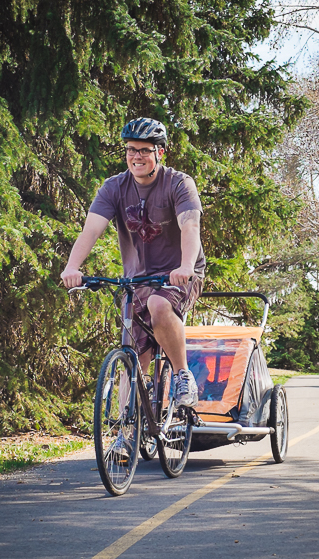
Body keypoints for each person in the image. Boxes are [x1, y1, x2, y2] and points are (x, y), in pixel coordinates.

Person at [61, 117, 203, 407]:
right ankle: (127, 432)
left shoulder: (179, 183)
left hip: (179, 274)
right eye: (130, 149)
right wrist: (72, 267)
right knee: (132, 352)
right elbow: (91, 230)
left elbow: (190, 226)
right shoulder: (114, 187)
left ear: (160, 153)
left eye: (144, 150)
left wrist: (187, 266)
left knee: (158, 305)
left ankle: (182, 375)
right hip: (136, 277)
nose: (136, 156)